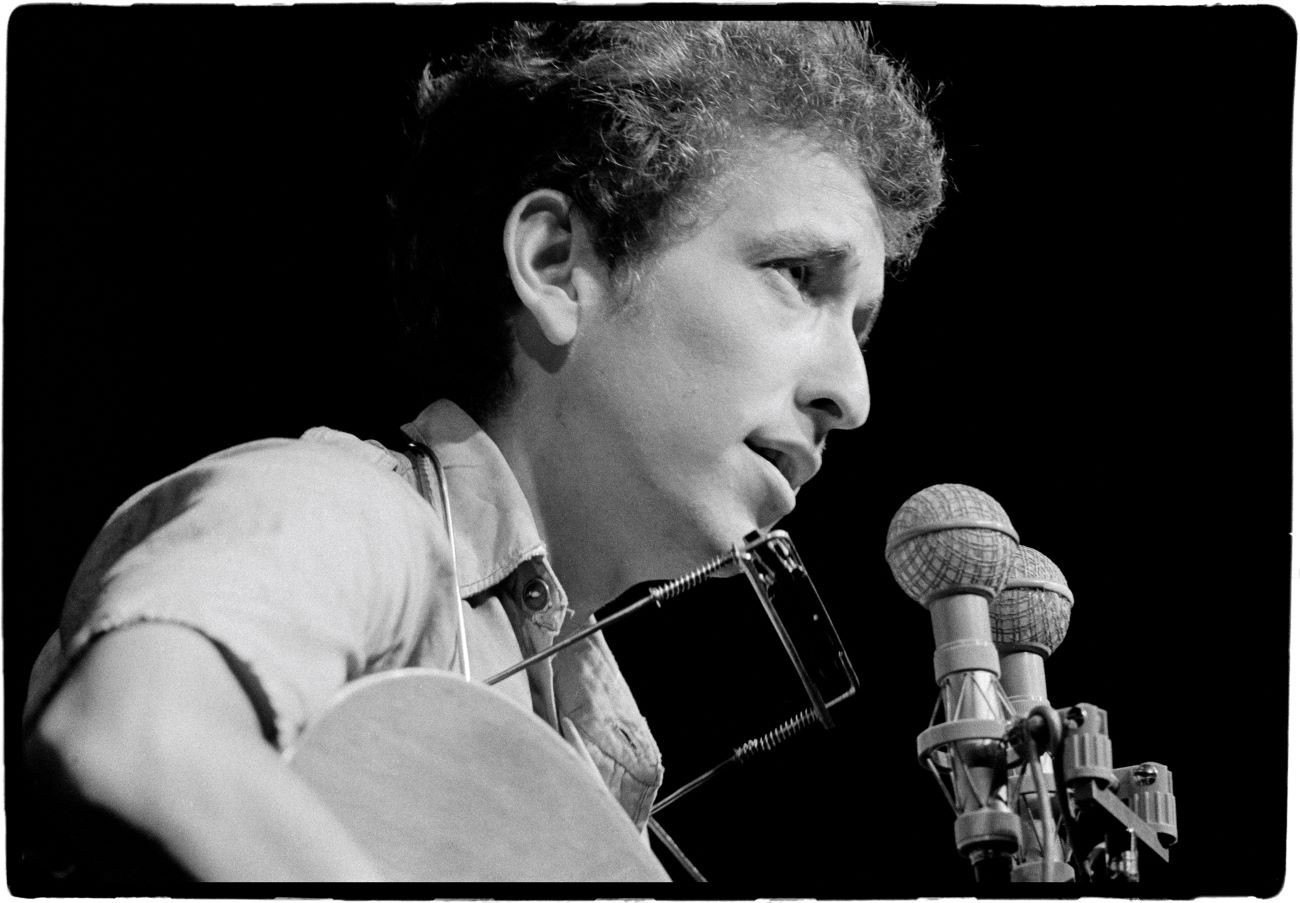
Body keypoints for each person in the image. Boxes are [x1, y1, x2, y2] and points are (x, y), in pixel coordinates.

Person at [22, 19, 943, 883]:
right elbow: (138, 735)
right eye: (796, 277)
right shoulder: (351, 511)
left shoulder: (603, 754)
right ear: (553, 266)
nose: (852, 396)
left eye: (861, 327)